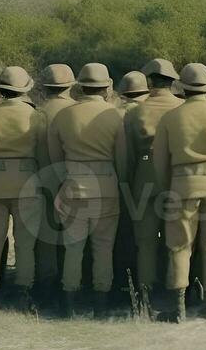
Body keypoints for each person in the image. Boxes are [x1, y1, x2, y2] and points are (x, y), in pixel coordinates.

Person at [152, 63, 206, 321]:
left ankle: (178, 307)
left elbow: (159, 161)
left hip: (182, 183)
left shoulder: (170, 118)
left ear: (183, 89)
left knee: (179, 245)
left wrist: (168, 186)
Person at [45, 62, 127, 317]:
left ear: (80, 86)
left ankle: (69, 305)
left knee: (73, 248)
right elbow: (122, 159)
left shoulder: (63, 115)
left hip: (74, 187)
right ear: (105, 87)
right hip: (106, 187)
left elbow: (54, 160)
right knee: (103, 248)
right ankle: (101, 307)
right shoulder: (114, 115)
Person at [0, 66, 47, 313]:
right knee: (25, 245)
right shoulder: (37, 118)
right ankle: (23, 299)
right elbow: (44, 158)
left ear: (1, 89)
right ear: (25, 88)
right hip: (28, 182)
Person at [120, 58, 182, 305]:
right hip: (175, 175)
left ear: (150, 82)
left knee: (145, 240)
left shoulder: (135, 112)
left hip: (144, 175)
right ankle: (174, 288)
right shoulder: (182, 107)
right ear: (172, 81)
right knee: (176, 239)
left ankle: (145, 293)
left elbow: (128, 155)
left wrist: (128, 182)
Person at [33, 63, 79, 302]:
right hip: (74, 180)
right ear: (71, 85)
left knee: (45, 236)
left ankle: (47, 284)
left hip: (40, 179)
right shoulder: (76, 111)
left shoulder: (36, 112)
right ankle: (72, 283)